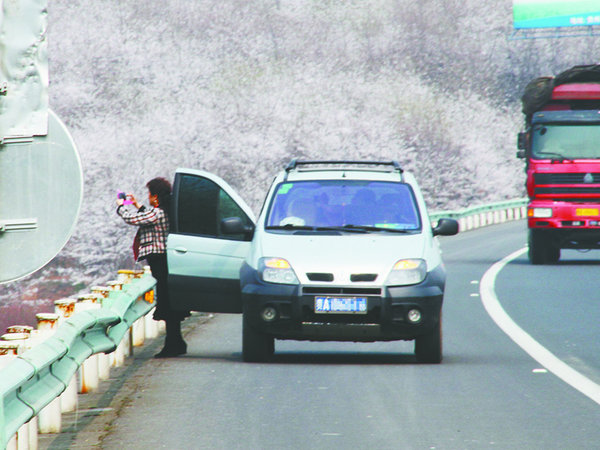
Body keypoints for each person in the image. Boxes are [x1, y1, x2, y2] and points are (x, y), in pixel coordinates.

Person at [116, 177, 188, 358]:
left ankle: (173, 345)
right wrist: (137, 204)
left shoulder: (159, 213)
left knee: (167, 301)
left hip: (160, 260)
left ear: (155, 197)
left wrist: (121, 207)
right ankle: (176, 342)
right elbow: (146, 216)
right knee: (168, 301)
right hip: (164, 260)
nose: (148, 197)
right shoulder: (163, 211)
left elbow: (134, 219)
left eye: (149, 194)